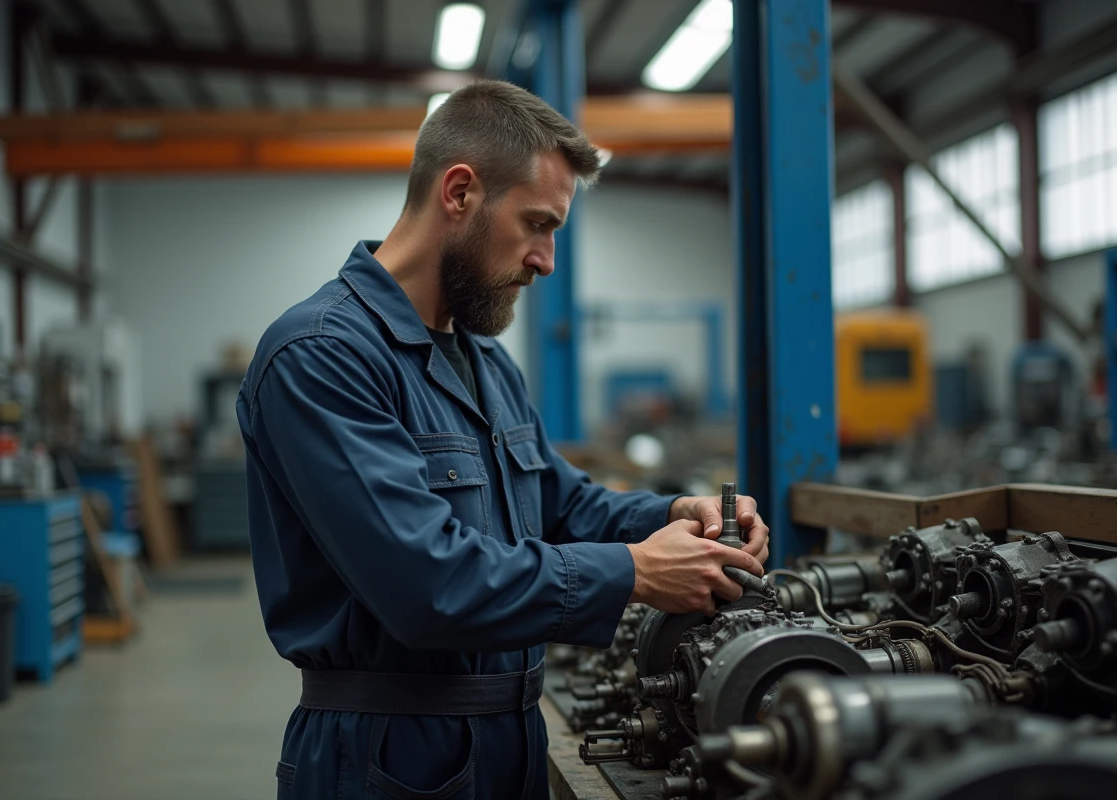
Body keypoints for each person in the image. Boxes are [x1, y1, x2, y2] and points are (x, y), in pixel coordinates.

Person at [237, 80, 769, 800]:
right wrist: (635, 572)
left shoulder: (484, 359)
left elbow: (559, 503)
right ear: (459, 192)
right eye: (536, 224)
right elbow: (426, 586)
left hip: (509, 742)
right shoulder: (322, 355)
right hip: (387, 757)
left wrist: (674, 516)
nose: (545, 260)